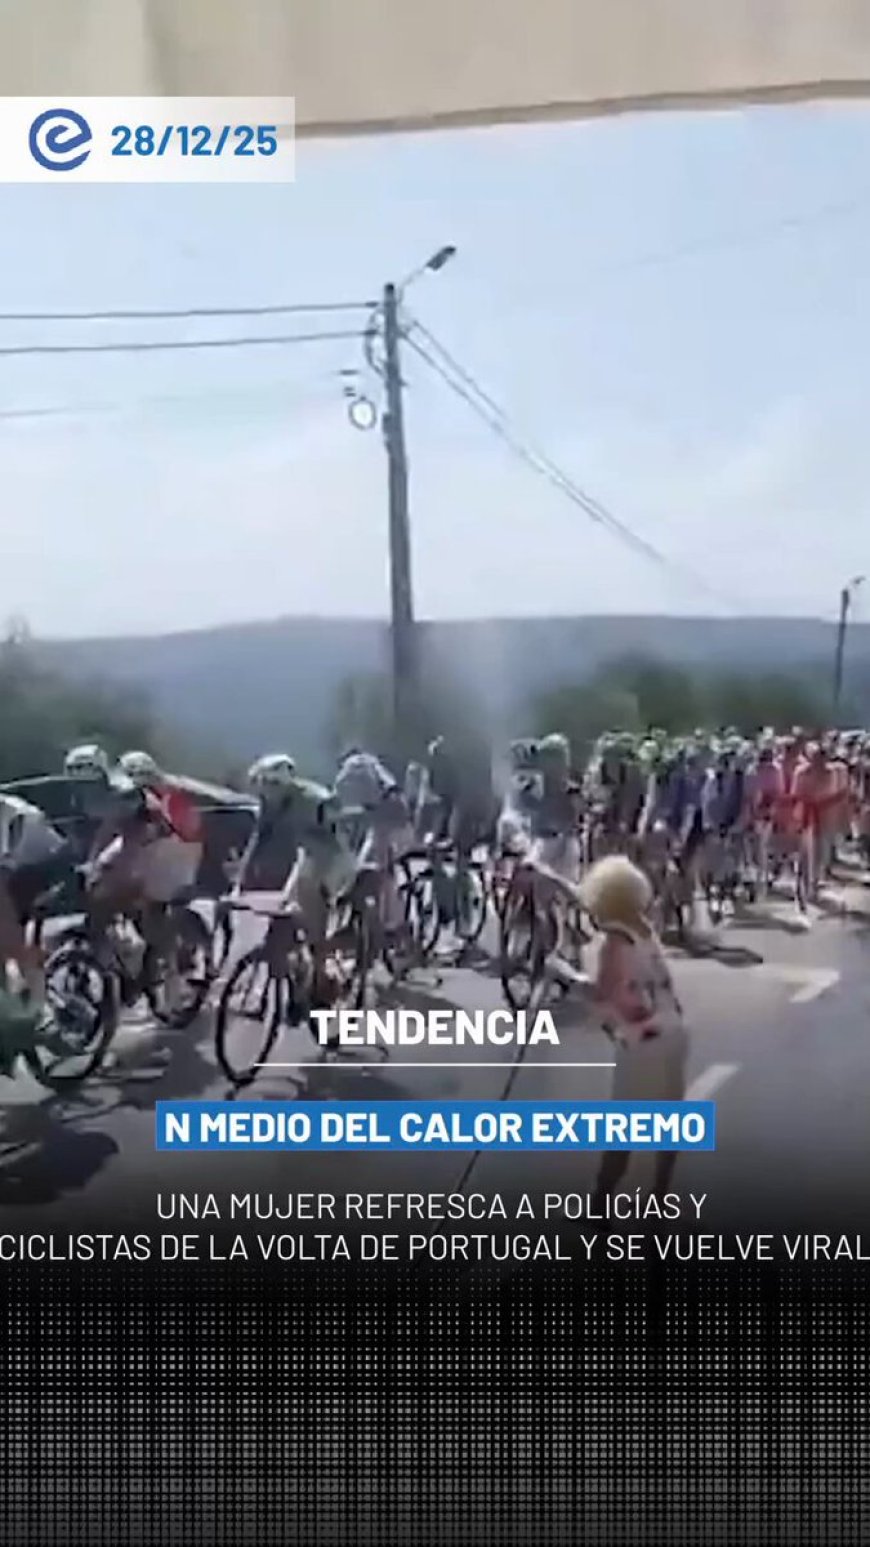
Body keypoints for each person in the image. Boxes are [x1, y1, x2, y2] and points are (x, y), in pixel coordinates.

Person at [581, 853, 689, 1207]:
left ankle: (599, 1203)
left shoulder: (614, 942)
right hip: (673, 1029)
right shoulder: (644, 928)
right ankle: (659, 1199)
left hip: (643, 1040)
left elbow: (605, 993)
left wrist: (561, 976)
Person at [0, 790, 71, 1001]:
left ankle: (39, 1006)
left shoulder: (6, 813)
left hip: (46, 869)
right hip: (27, 868)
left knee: (10, 938)